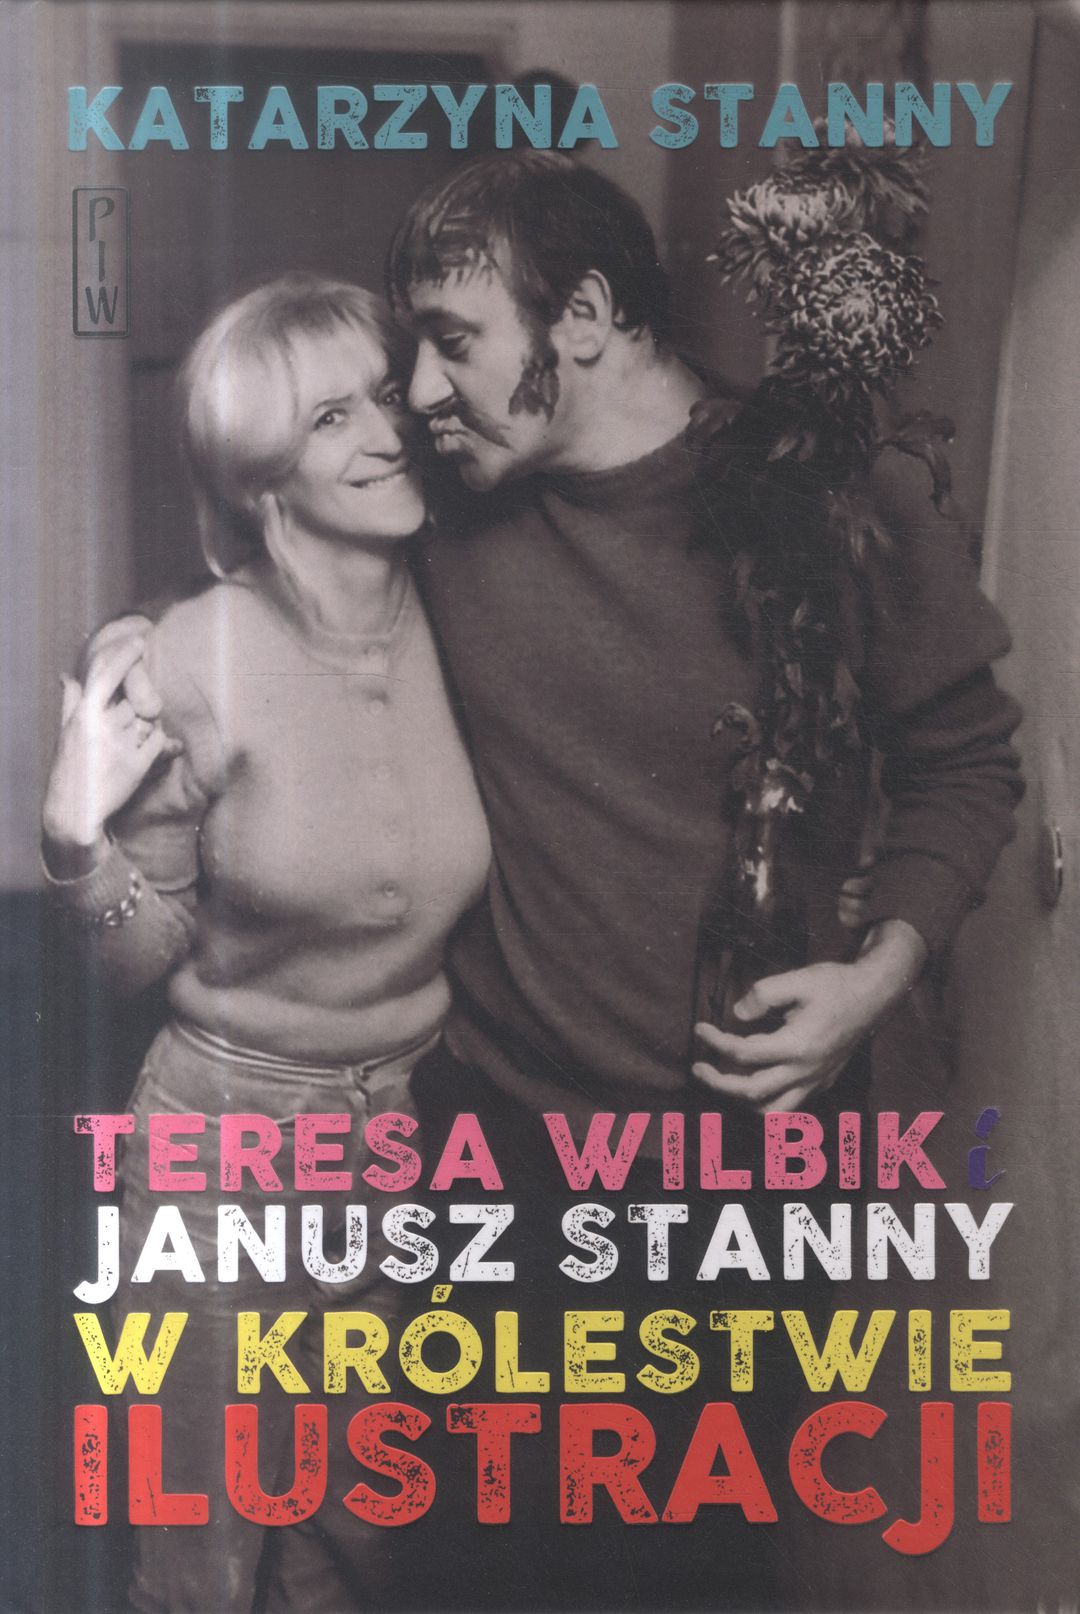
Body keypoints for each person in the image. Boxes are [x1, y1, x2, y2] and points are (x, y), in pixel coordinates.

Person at [81, 153, 1022, 1612]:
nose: (419, 398)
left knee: (697, 1566)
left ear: (581, 317)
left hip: (740, 1169)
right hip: (495, 1139)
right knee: (459, 1557)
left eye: (451, 342)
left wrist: (877, 975)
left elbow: (966, 761)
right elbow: (289, 588)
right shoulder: (455, 508)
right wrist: (138, 650)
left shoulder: (829, 499)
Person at [42, 273, 491, 1614]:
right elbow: (137, 959)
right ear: (259, 476)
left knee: (353, 1535)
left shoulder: (467, 612)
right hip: (224, 1138)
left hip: (403, 1131)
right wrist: (75, 842)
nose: (391, 432)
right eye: (329, 419)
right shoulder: (193, 656)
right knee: (202, 1551)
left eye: (385, 394)